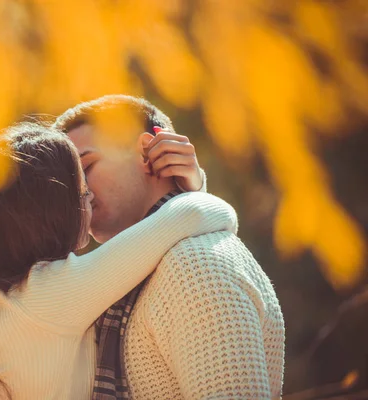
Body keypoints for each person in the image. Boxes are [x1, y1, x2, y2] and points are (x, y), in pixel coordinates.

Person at [0, 122, 238, 399]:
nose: (89, 198)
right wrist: (192, 183)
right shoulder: (52, 293)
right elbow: (197, 214)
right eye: (80, 188)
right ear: (51, 210)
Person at [53, 94, 286, 399]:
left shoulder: (196, 267)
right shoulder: (126, 275)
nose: (78, 191)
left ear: (147, 152)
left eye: (87, 166)